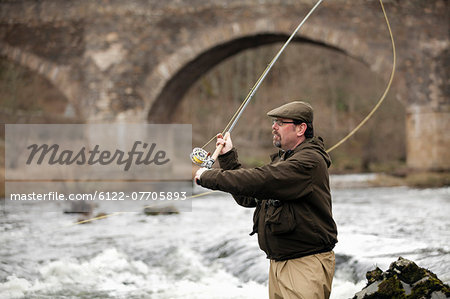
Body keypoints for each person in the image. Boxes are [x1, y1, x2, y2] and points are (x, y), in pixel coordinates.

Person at [195, 101, 338, 299]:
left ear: (301, 128)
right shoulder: (284, 159)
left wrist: (209, 176)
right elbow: (248, 197)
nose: (274, 126)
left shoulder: (309, 161)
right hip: (279, 265)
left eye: (280, 122)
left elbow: (262, 179)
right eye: (274, 122)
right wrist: (228, 157)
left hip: (305, 265)